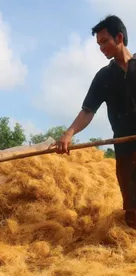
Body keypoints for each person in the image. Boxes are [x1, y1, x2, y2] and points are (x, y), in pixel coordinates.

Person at [55, 15, 136, 229]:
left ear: (119, 37)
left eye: (104, 41)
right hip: (125, 149)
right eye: (99, 43)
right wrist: (69, 133)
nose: (101, 47)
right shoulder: (104, 77)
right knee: (132, 208)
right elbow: (88, 111)